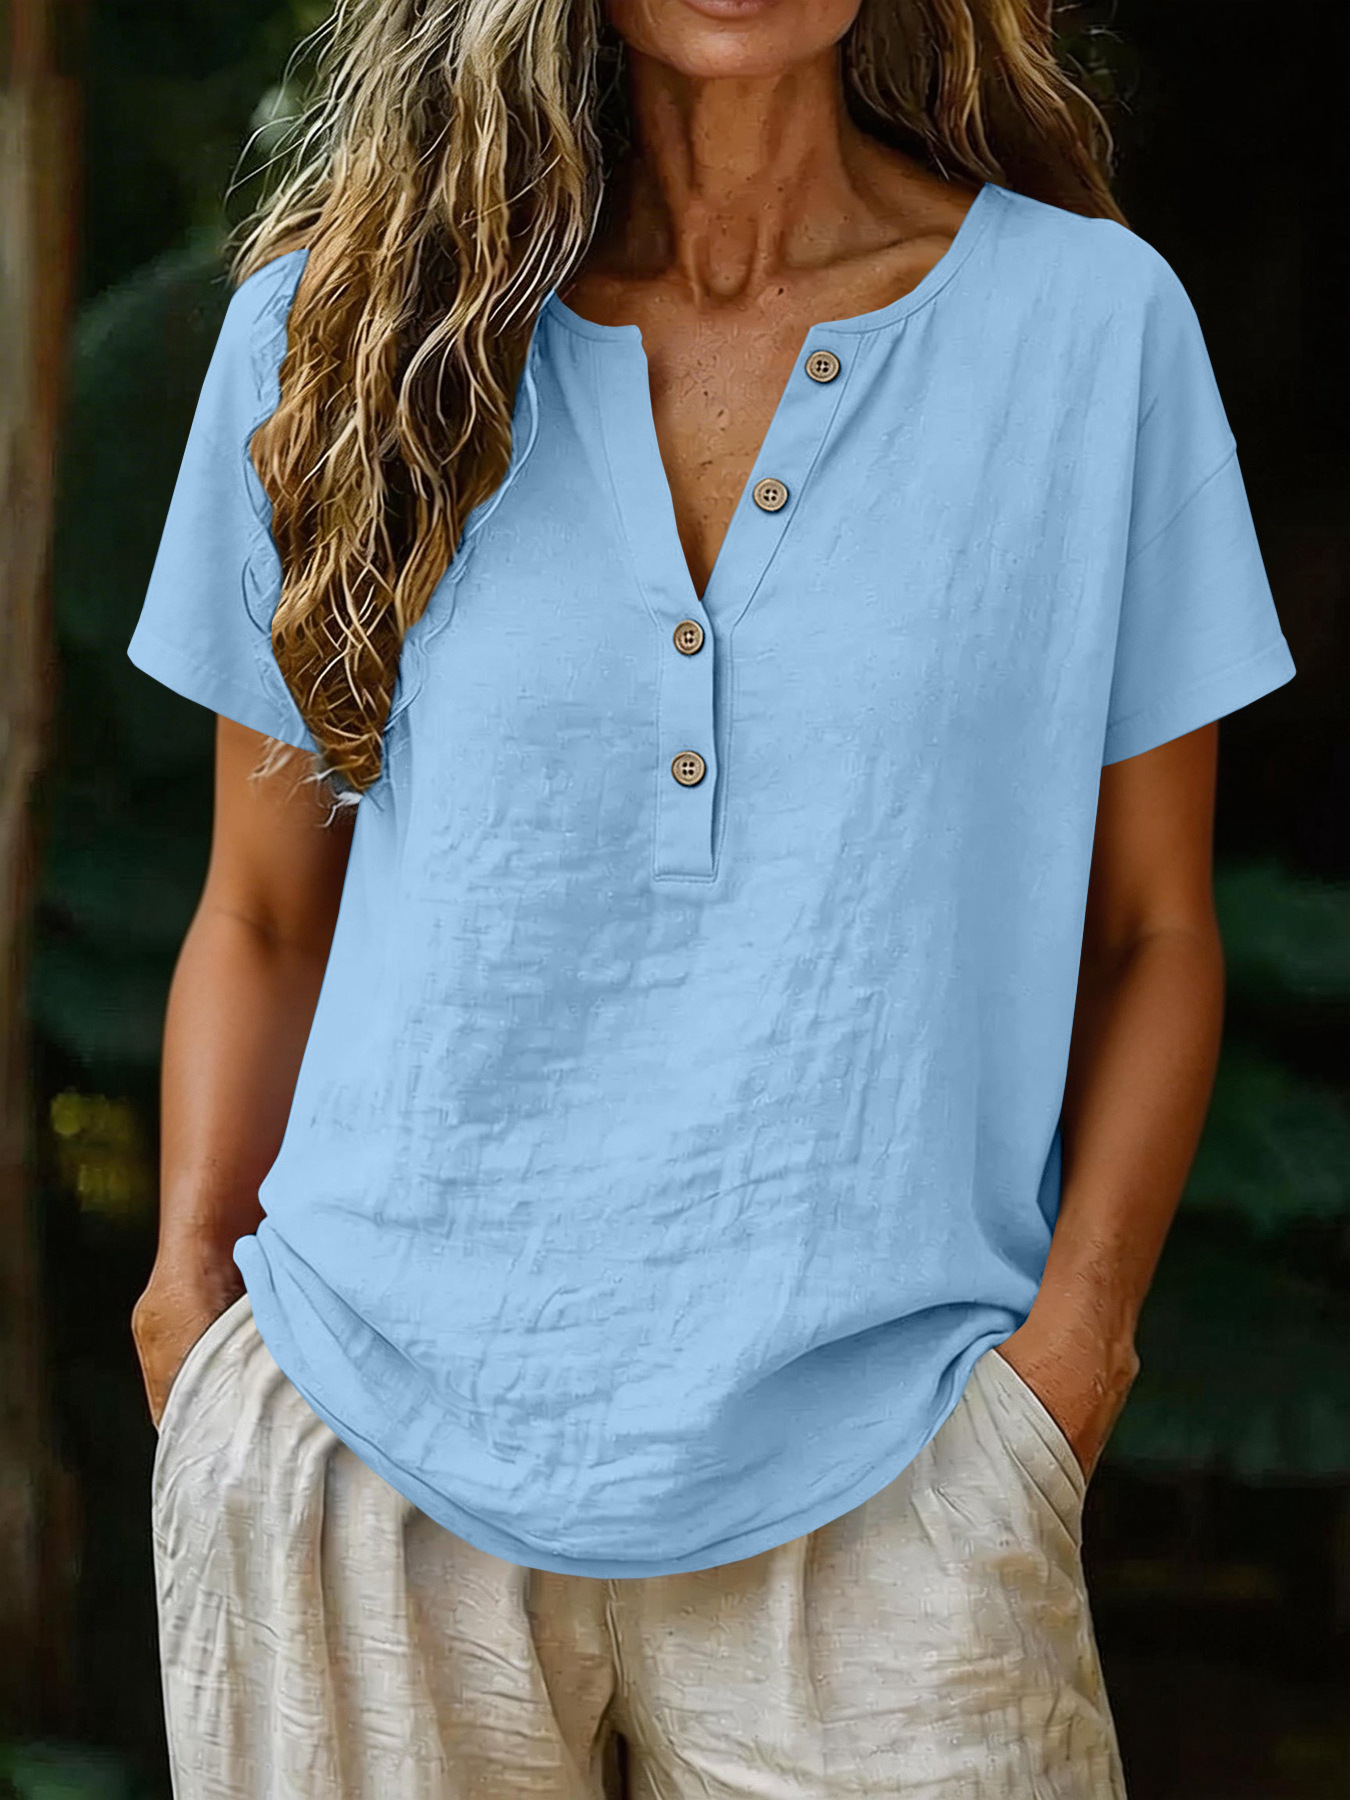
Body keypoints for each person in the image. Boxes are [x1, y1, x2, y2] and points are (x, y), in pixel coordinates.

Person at [128, 0, 1295, 1794]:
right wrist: (193, 1311)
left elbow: (1150, 928)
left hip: (902, 1459)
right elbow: (264, 914)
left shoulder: (1088, 329)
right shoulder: (341, 331)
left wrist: (1068, 1364)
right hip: (361, 1443)